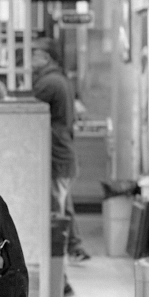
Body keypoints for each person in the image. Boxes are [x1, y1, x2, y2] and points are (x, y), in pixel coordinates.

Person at [32, 38, 90, 270]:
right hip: (63, 153)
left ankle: (60, 264)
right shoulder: (60, 79)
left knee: (57, 208)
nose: (30, 59)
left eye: (35, 54)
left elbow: (29, 110)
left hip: (57, 155)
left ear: (46, 58)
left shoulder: (49, 82)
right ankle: (76, 246)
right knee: (63, 203)